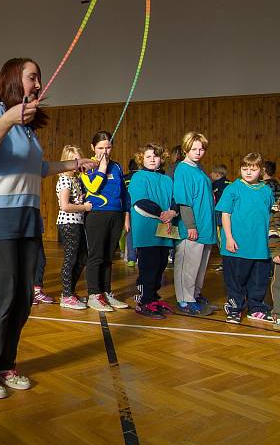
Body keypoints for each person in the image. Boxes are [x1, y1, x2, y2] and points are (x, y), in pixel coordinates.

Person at [0, 58, 97, 399]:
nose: (38, 85)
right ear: (12, 79)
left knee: (22, 298)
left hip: (26, 216)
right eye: (32, 77)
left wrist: (74, 163)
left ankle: (4, 363)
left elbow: (36, 167)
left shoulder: (27, 129)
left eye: (38, 79)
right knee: (3, 295)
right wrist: (8, 118)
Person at [216, 153, 275, 324]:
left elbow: (272, 215)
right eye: (245, 169)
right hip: (237, 245)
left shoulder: (266, 190)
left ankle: (255, 308)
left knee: (259, 279)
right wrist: (228, 238)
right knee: (236, 279)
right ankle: (234, 308)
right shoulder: (233, 188)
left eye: (253, 169)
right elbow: (225, 214)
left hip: (260, 245)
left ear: (261, 170)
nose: (248, 172)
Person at [79, 131, 130, 312]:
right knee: (97, 256)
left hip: (115, 215)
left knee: (109, 257)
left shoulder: (116, 166)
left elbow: (124, 194)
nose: (105, 151)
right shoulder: (87, 166)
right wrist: (101, 167)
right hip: (97, 215)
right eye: (100, 148)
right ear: (93, 148)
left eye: (108, 147)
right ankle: (94, 294)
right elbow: (93, 187)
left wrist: (126, 216)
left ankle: (106, 292)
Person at [128, 143, 176, 319]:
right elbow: (141, 202)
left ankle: (153, 297)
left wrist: (172, 211)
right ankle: (144, 301)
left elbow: (174, 199)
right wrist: (162, 214)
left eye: (155, 156)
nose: (152, 160)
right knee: (148, 267)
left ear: (161, 159)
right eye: (148, 157)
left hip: (165, 228)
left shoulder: (167, 179)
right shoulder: (138, 177)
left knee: (161, 265)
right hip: (147, 229)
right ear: (142, 159)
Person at [172, 131, 217, 315]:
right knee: (187, 266)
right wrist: (190, 225)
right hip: (192, 227)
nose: (198, 152)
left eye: (201, 149)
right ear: (186, 149)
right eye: (194, 149)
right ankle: (185, 300)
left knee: (199, 266)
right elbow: (184, 201)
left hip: (205, 227)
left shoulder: (198, 169)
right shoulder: (183, 169)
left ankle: (195, 295)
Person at [55, 145, 92, 310]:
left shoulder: (76, 179)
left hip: (78, 222)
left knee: (83, 256)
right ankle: (66, 295)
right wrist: (84, 207)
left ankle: (70, 291)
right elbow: (64, 206)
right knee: (71, 258)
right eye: (74, 160)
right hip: (68, 223)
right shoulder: (64, 179)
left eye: (79, 159)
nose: (77, 164)